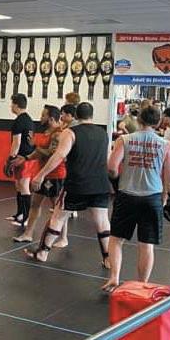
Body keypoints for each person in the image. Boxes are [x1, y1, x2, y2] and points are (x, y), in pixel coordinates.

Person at [102, 105, 170, 293]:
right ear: (158, 122)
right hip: (151, 198)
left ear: (139, 120)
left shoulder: (124, 139)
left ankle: (114, 278)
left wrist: (117, 181)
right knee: (146, 244)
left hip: (127, 195)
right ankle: (142, 284)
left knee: (116, 239)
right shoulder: (165, 145)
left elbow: (111, 168)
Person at [28, 102, 111, 267]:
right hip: (99, 183)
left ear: (76, 116)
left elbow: (59, 155)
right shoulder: (103, 133)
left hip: (77, 183)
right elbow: (107, 157)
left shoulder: (70, 132)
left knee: (58, 217)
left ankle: (43, 252)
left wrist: (41, 174)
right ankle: (108, 259)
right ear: (92, 115)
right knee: (102, 221)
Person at [12, 104, 69, 244]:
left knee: (58, 208)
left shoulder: (58, 134)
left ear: (51, 118)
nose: (40, 118)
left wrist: (35, 145)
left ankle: (63, 238)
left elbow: (52, 153)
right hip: (43, 174)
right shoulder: (48, 132)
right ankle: (28, 234)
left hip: (55, 175)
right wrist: (26, 158)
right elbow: (40, 152)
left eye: (43, 115)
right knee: (35, 205)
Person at [4, 94, 36, 229]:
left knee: (24, 186)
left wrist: (10, 158)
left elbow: (16, 143)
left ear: (16, 105)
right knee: (18, 186)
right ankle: (19, 214)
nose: (11, 106)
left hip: (22, 158)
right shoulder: (28, 120)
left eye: (12, 104)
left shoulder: (19, 122)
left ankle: (26, 217)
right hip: (25, 157)